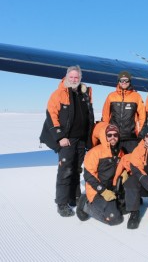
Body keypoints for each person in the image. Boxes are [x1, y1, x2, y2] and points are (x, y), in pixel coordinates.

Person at [40, 65, 94, 217]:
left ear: (80, 78)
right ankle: (62, 203)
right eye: (71, 77)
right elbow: (51, 115)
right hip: (66, 139)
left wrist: (90, 138)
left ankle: (74, 197)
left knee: (77, 169)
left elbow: (89, 116)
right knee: (65, 171)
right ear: (67, 77)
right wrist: (60, 137)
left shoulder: (84, 94)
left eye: (77, 77)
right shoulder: (59, 93)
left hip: (81, 139)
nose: (74, 79)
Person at [76, 124, 125, 225]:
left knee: (124, 210)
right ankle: (85, 204)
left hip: (112, 190)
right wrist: (103, 191)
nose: (113, 137)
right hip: (97, 191)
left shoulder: (120, 152)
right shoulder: (95, 152)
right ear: (105, 136)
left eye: (115, 135)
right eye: (109, 135)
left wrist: (125, 172)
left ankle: (111, 205)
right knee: (114, 219)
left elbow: (124, 165)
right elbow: (88, 176)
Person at [102, 71, 146, 153]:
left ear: (130, 81)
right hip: (114, 137)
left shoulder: (136, 96)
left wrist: (141, 133)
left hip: (131, 137)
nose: (124, 82)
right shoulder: (111, 96)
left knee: (131, 162)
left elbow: (143, 116)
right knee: (115, 163)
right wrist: (106, 132)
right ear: (118, 81)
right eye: (122, 80)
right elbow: (105, 115)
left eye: (126, 80)